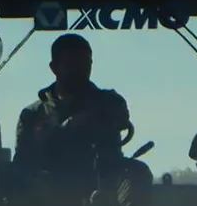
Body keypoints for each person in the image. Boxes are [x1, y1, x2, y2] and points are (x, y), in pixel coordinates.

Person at [13, 33, 131, 182]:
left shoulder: (108, 101)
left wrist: (87, 120)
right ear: (54, 67)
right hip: (51, 189)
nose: (80, 70)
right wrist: (60, 132)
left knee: (138, 173)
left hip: (104, 183)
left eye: (85, 64)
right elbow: (22, 163)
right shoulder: (32, 115)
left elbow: (120, 116)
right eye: (72, 65)